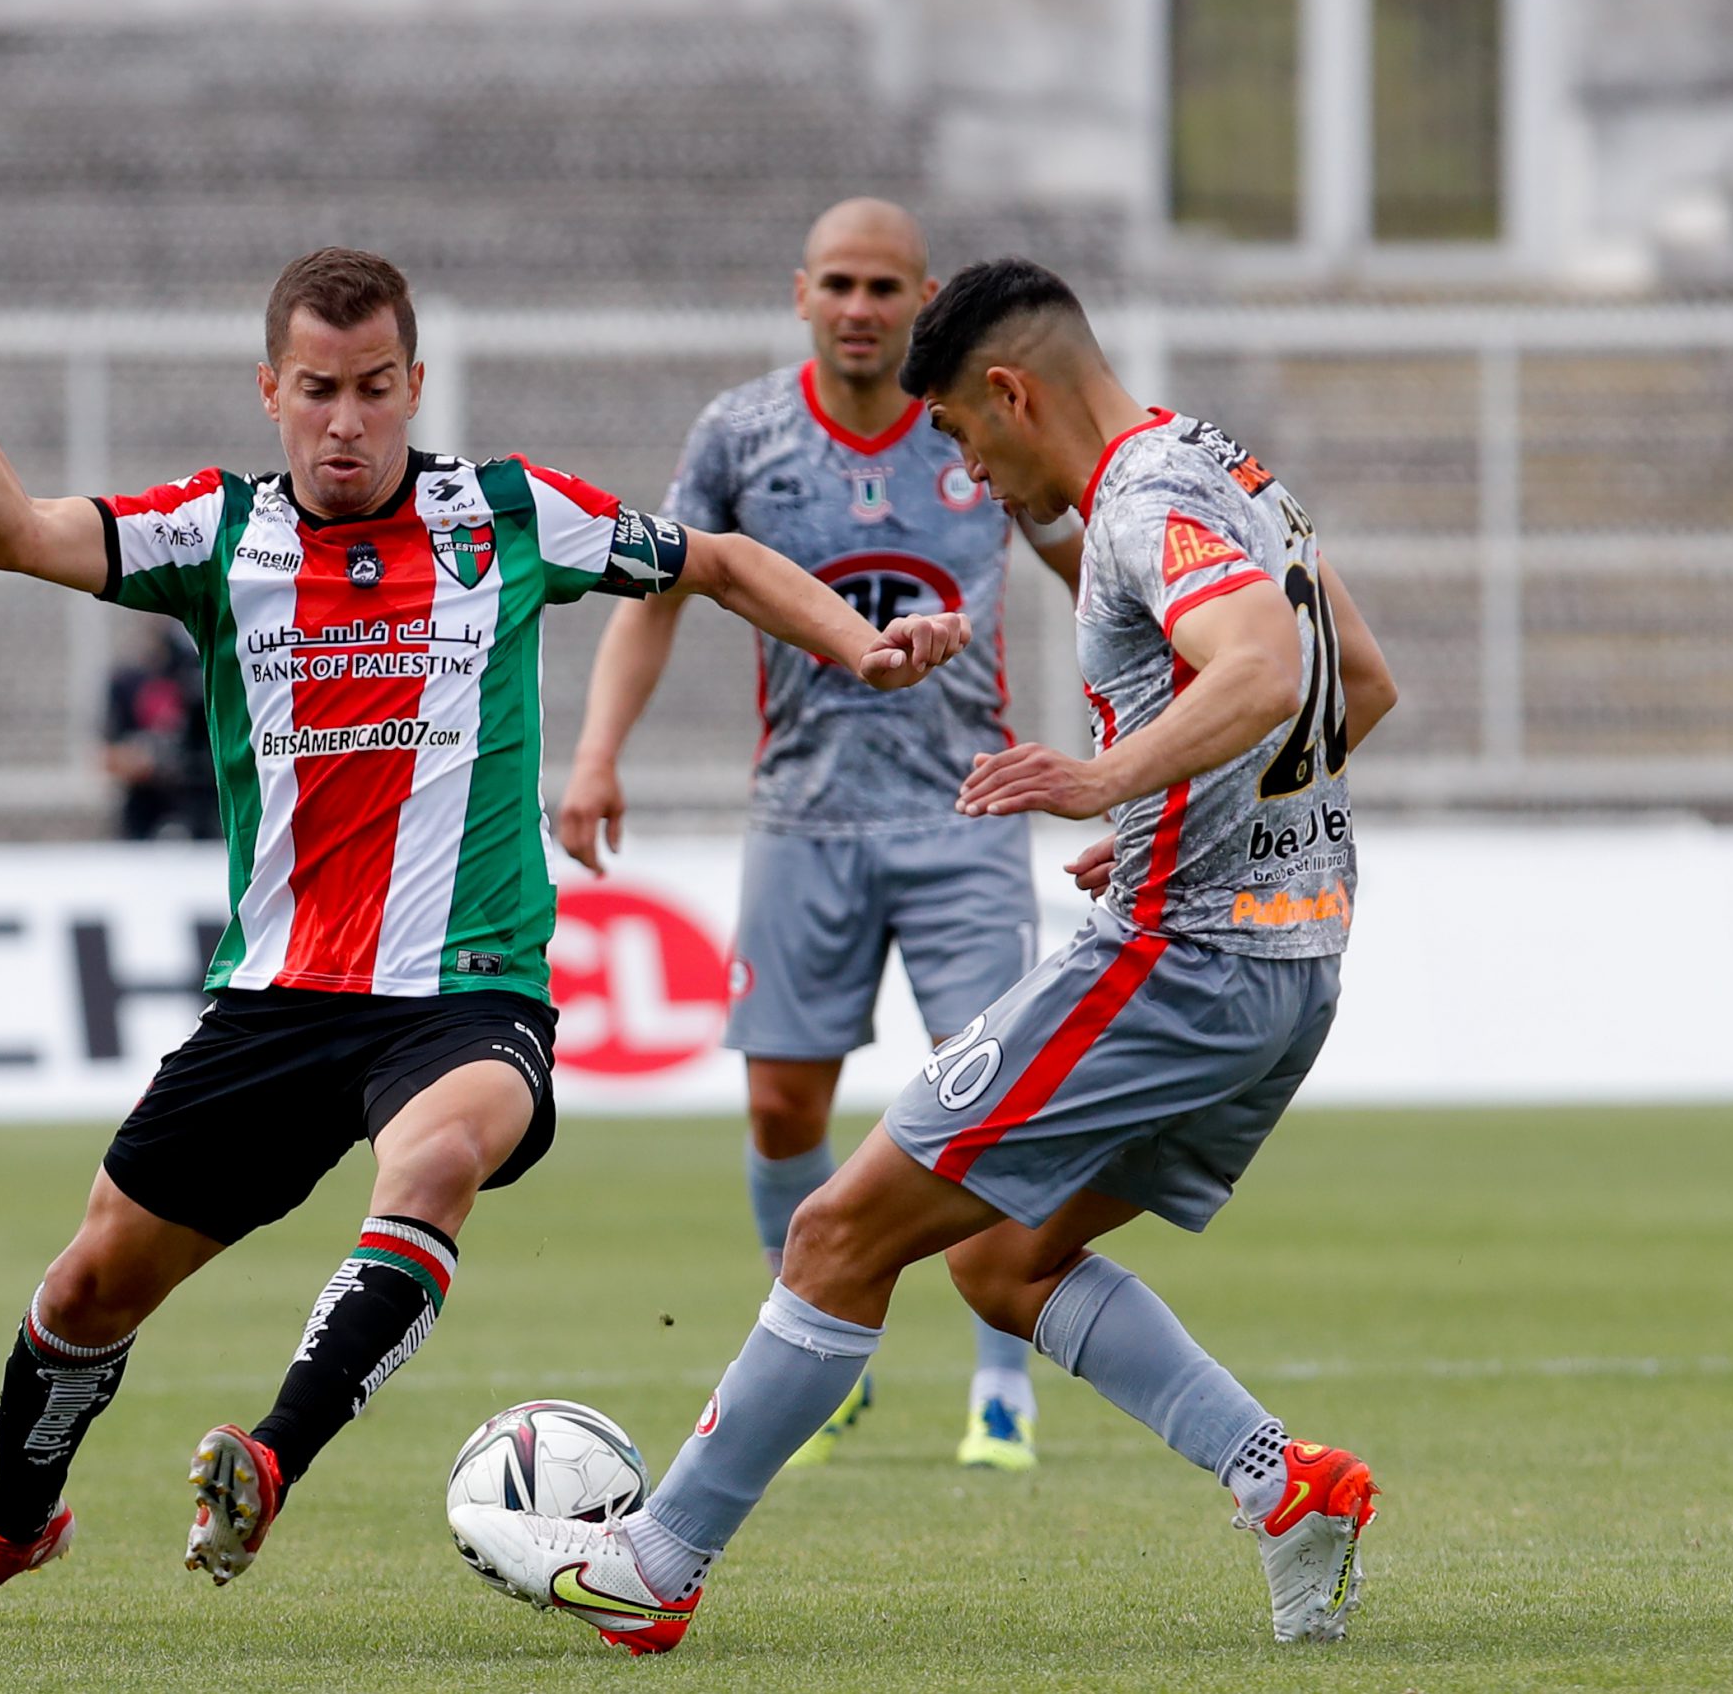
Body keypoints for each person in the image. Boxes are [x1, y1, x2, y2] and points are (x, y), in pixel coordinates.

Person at [0, 229, 969, 1628]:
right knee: (87, 1287)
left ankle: (269, 1458)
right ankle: (7, 1525)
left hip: (466, 992)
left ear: (414, 384)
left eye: (372, 388)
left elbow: (712, 559)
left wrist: (858, 640)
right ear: (270, 390)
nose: (344, 420)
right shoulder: (217, 534)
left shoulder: (509, 514)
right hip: (278, 995)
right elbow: (16, 537)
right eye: (316, 389)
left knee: (433, 1162)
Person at [452, 257, 1402, 1654]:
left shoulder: (1143, 502)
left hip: (1177, 962)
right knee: (1003, 1261)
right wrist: (1169, 814)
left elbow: (1262, 667)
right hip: (1291, 961)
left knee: (838, 1230)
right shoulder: (1228, 468)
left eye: (960, 434)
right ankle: (1286, 1487)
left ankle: (656, 1564)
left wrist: (1101, 782)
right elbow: (1357, 681)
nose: (967, 474)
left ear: (1010, 392)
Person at [556, 198, 1082, 1472]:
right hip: (803, 811)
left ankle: (1000, 1387)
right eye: (837, 284)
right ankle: (818, 1354)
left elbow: (1085, 564)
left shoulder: (975, 422)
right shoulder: (740, 433)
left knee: (988, 1092)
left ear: (922, 296)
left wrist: (1139, 730)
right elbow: (658, 593)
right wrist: (594, 751)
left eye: (883, 288)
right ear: (802, 293)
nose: (859, 308)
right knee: (785, 1103)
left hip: (969, 803)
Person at [103, 619, 220, 840]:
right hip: (145, 807)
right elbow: (106, 755)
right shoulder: (126, 681)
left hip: (202, 803)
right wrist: (145, 759)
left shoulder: (196, 674)